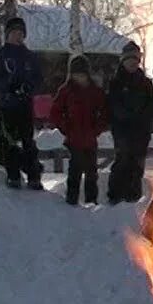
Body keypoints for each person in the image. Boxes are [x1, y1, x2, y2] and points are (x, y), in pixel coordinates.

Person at [0, 15, 44, 189]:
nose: (17, 36)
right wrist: (8, 87)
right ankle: (13, 175)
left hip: (25, 105)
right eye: (14, 32)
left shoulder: (29, 56)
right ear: (8, 34)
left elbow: (38, 78)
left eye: (20, 33)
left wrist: (28, 87)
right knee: (10, 141)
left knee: (28, 140)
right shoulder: (1, 55)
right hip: (8, 104)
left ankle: (34, 176)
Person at [49, 55, 109, 206]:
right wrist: (66, 128)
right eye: (76, 75)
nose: (79, 78)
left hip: (90, 137)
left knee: (91, 173)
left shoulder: (95, 91)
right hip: (73, 138)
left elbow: (105, 112)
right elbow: (55, 113)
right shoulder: (66, 91)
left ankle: (91, 202)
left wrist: (97, 128)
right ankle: (71, 201)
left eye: (82, 74)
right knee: (74, 172)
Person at [107, 41, 153, 204]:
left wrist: (145, 118)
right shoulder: (116, 82)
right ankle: (115, 196)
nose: (132, 63)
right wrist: (125, 116)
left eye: (135, 60)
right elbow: (112, 105)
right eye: (129, 60)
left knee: (137, 163)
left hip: (141, 130)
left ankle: (134, 197)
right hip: (122, 129)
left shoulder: (145, 83)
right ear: (123, 60)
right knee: (122, 159)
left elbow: (152, 105)